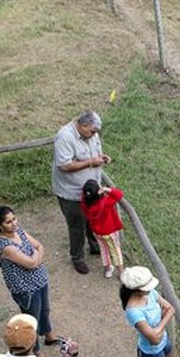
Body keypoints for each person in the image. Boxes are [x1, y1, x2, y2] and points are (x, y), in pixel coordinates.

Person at [0, 206, 59, 357]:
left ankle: (49, 335)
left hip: (40, 280)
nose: (13, 224)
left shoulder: (19, 232)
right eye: (8, 222)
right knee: (31, 320)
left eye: (14, 219)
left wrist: (36, 255)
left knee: (45, 310)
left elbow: (40, 245)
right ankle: (36, 351)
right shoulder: (5, 246)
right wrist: (36, 256)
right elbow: (31, 263)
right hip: (25, 289)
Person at [53, 111, 111, 274]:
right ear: (83, 125)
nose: (95, 135)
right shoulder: (64, 137)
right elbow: (64, 166)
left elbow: (94, 152)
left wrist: (100, 157)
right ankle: (77, 258)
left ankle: (94, 246)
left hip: (92, 189)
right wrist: (91, 162)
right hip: (72, 192)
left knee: (93, 220)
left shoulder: (91, 134)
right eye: (92, 131)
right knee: (77, 225)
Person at [79, 179, 126, 278]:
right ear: (99, 191)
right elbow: (119, 194)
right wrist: (107, 190)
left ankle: (108, 269)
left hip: (97, 232)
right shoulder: (106, 202)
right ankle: (121, 272)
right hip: (110, 231)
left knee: (104, 249)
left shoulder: (85, 204)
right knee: (115, 250)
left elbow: (84, 197)